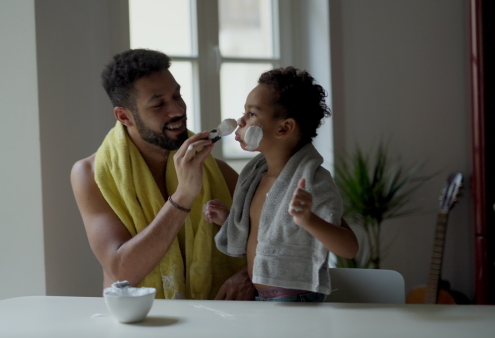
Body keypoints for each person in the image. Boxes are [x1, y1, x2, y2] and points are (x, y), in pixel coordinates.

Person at [70, 49, 251, 300]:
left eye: (177, 95)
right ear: (124, 116)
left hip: (215, 320)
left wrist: (248, 274)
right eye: (158, 104)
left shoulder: (214, 170)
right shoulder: (91, 174)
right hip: (139, 323)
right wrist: (184, 196)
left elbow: (276, 237)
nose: (177, 110)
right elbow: (122, 270)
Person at [204, 67, 359, 302]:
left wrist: (308, 219)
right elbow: (266, 233)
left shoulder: (310, 181)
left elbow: (349, 248)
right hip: (261, 297)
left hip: (295, 298)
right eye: (244, 112)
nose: (240, 121)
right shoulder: (256, 177)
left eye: (252, 114)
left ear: (284, 128)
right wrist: (228, 220)